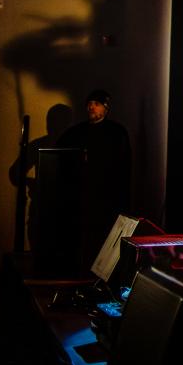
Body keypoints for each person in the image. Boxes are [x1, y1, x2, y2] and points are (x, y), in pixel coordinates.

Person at [57, 89, 132, 266]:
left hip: (107, 198)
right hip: (81, 196)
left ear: (106, 108)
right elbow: (58, 155)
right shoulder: (75, 133)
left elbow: (124, 167)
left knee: (104, 239)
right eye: (89, 104)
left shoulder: (117, 133)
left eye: (96, 104)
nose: (91, 107)